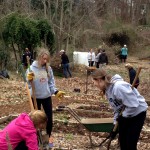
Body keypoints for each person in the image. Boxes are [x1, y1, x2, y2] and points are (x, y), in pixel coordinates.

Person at [91, 68, 148, 150]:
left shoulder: (118, 87)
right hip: (126, 113)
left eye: (94, 82)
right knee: (123, 142)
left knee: (130, 143)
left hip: (137, 113)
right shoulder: (108, 90)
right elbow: (117, 108)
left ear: (99, 80)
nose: (94, 84)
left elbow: (133, 105)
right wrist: (115, 125)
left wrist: (123, 117)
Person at [26, 48, 65, 146]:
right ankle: (36, 139)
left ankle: (47, 139)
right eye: (43, 59)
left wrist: (56, 92)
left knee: (49, 119)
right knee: (35, 120)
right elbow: (27, 85)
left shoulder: (48, 69)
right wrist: (28, 79)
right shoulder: (31, 69)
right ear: (39, 57)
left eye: (46, 59)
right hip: (35, 97)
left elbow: (51, 83)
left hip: (46, 96)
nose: (45, 61)